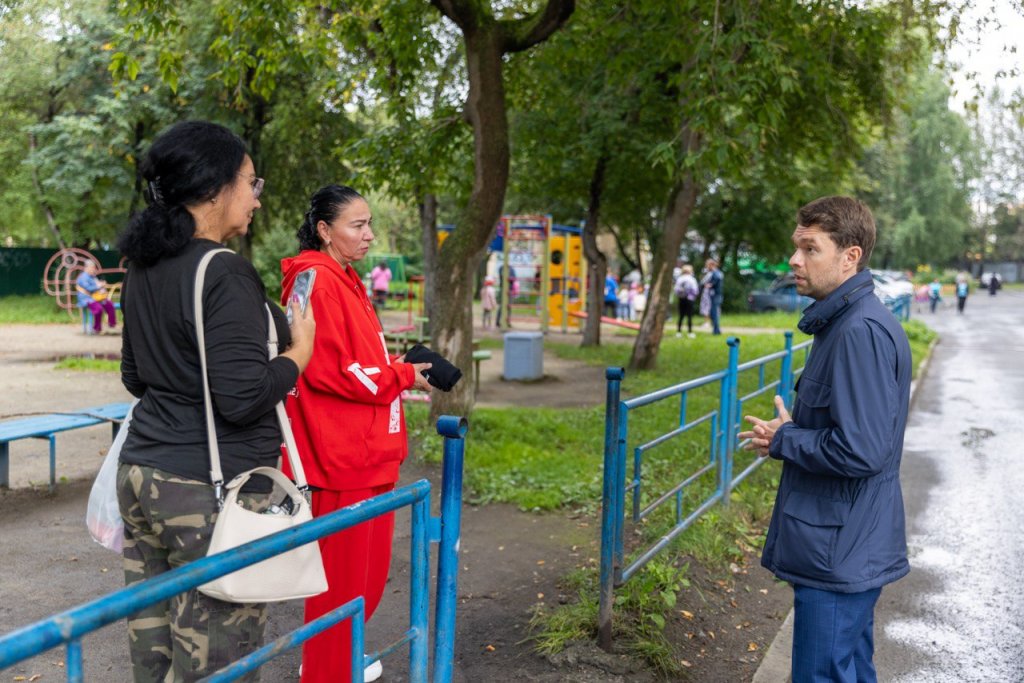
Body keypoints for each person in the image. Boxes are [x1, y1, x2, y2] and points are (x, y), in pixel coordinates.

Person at [115, 120, 316, 682]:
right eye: (251, 183)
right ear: (213, 189)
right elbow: (242, 398)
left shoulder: (143, 267)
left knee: (154, 649)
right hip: (206, 491)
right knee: (219, 660)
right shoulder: (223, 271)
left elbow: (135, 376)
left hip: (142, 475)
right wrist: (299, 352)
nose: (256, 198)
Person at [739, 196, 911, 683]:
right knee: (848, 671)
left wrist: (786, 440)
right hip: (843, 543)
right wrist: (792, 433)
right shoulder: (845, 322)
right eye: (797, 248)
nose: (794, 260)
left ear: (850, 256)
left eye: (810, 249)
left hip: (839, 549)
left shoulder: (859, 332)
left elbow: (862, 449)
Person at [282, 185, 433, 683]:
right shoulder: (317, 280)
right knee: (342, 579)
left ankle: (336, 659)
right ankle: (324, 670)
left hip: (365, 451)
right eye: (357, 225)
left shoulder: (342, 277)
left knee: (365, 575)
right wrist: (401, 375)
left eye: (370, 224)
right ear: (325, 230)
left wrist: (396, 368)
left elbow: (357, 361)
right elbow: (329, 370)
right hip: (341, 453)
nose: (369, 235)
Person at [75, 261, 118, 334]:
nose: (94, 269)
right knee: (98, 309)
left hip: (96, 297)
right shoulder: (83, 277)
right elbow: (89, 288)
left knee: (109, 304)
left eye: (94, 268)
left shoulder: (92, 276)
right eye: (92, 268)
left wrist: (101, 287)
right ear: (87, 267)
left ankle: (112, 324)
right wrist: (99, 286)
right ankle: (97, 328)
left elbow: (96, 287)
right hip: (86, 299)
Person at [674, 264, 699, 338]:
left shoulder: (680, 279)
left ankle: (678, 332)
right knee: (689, 316)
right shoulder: (692, 279)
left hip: (681, 299)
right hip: (690, 299)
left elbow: (676, 290)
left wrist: (681, 294)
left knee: (681, 316)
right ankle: (690, 332)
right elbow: (695, 290)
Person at [705, 258, 724, 335]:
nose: (707, 267)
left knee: (714, 313)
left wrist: (710, 285)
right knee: (714, 312)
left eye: (707, 265)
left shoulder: (715, 273)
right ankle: (716, 330)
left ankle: (716, 330)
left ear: (711, 265)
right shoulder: (718, 273)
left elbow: (715, 281)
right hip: (717, 295)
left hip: (715, 295)